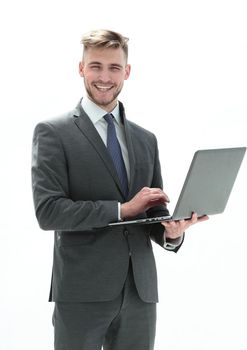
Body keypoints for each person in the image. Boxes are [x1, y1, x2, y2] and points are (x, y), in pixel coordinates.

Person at [31, 29, 208, 350]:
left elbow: (153, 211)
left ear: (126, 72)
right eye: (95, 66)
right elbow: (48, 212)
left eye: (114, 68)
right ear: (81, 68)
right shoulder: (53, 133)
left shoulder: (145, 139)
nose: (104, 76)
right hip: (82, 291)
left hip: (140, 292)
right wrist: (120, 209)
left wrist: (172, 233)